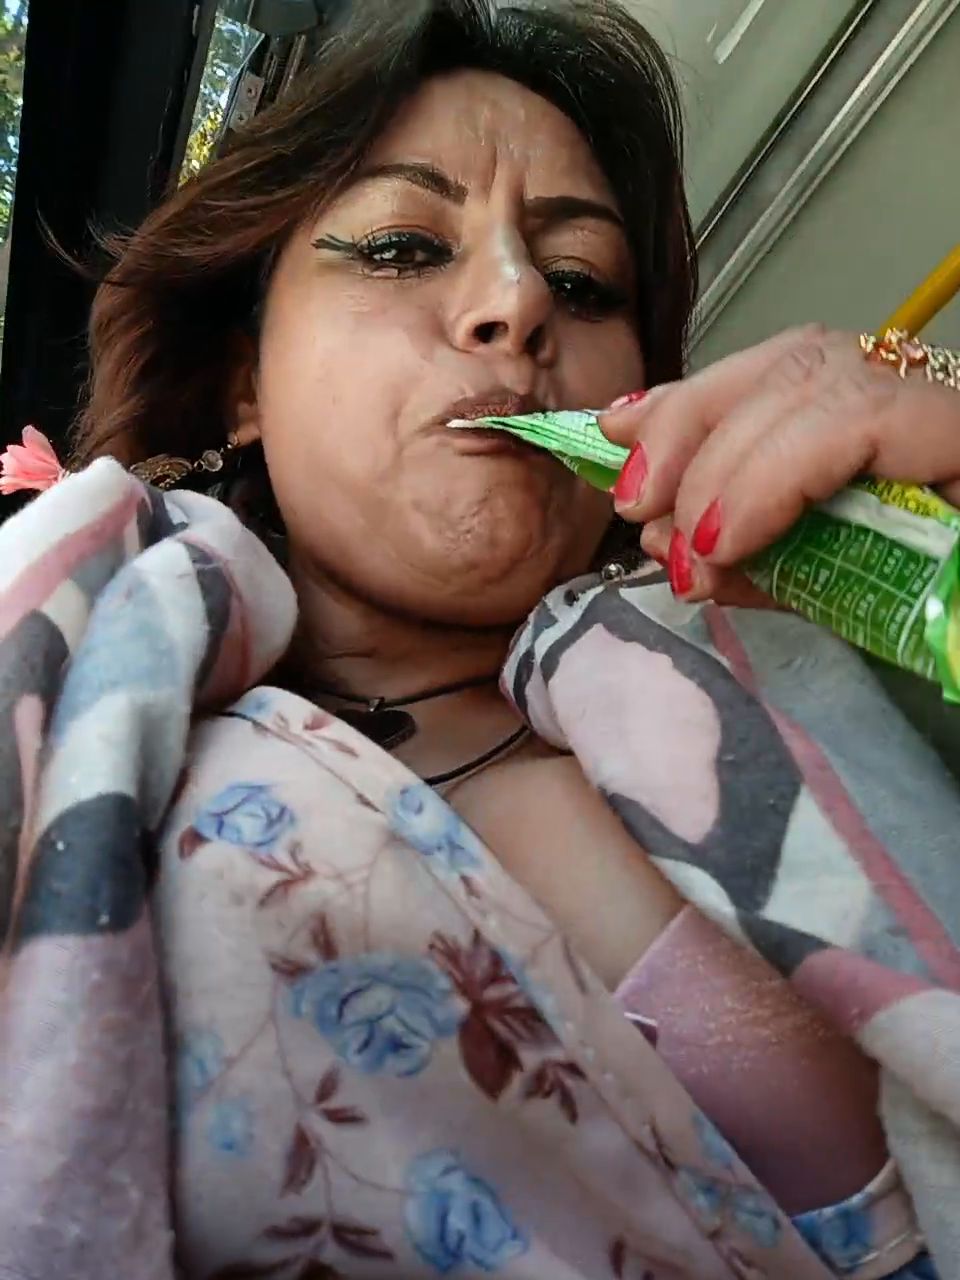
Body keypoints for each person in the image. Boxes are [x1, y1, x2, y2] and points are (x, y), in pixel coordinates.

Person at [0, 3, 958, 1278]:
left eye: (582, 281)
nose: (517, 302)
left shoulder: (797, 664)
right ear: (243, 378)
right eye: (404, 247)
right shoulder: (82, 680)